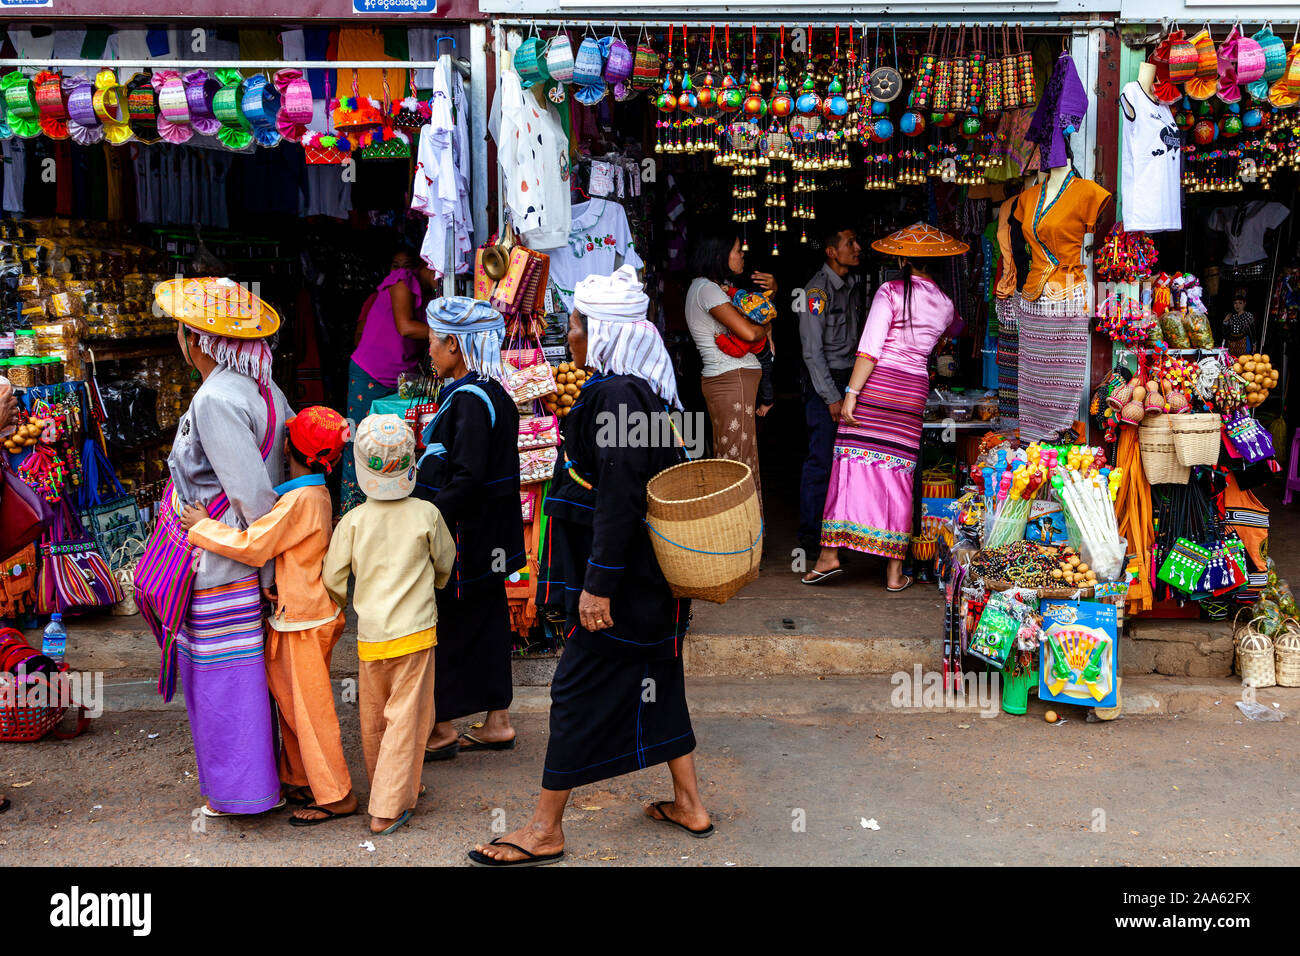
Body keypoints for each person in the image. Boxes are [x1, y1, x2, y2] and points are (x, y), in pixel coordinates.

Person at [469, 265, 711, 867]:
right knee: (661, 683)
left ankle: (545, 828)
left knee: (573, 691)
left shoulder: (615, 394)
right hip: (651, 583)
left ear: (600, 331)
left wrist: (597, 586)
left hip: (623, 584)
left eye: (575, 325)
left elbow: (621, 494)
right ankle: (690, 804)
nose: (570, 337)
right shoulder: (639, 392)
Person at [153, 276, 291, 817]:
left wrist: (262, 566)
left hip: (221, 563)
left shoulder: (215, 400)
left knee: (223, 685)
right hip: (241, 556)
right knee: (243, 681)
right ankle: (254, 783)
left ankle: (240, 793)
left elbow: (251, 495)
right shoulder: (264, 388)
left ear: (194, 339)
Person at [182, 406, 357, 826]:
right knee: (293, 706)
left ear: (283, 447)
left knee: (309, 713)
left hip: (303, 619)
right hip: (298, 614)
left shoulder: (299, 500)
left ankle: (337, 795)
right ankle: (300, 778)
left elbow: (253, 545)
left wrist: (204, 526)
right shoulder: (312, 494)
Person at [807, 224, 967, 590]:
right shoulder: (945, 304)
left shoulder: (889, 291)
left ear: (902, 258)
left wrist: (850, 392)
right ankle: (895, 572)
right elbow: (954, 330)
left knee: (850, 465)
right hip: (912, 392)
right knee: (899, 474)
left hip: (879, 387)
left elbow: (869, 349)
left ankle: (830, 554)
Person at [323, 414, 457, 835]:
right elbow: (445, 562)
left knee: (376, 718)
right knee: (408, 718)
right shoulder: (427, 514)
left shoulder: (353, 521)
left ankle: (394, 786)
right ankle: (387, 804)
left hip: (372, 637)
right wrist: (435, 582)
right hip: (416, 633)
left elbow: (332, 578)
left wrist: (343, 603)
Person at [414, 296, 523, 760]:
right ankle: (497, 721)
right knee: (487, 618)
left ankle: (440, 729)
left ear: (455, 346)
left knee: (447, 624)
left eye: (435, 343)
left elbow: (466, 475)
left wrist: (428, 519)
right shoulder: (489, 390)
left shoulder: (469, 400)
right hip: (489, 536)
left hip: (465, 535)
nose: (431, 352)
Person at [342, 245, 439, 511]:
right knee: (358, 442)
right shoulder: (402, 281)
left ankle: (389, 509)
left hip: (402, 379)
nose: (441, 276)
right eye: (438, 270)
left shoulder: (432, 294)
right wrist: (446, 331)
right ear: (425, 264)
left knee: (397, 443)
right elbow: (406, 327)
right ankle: (351, 512)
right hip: (371, 373)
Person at [685, 234, 777, 499]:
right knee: (736, 460)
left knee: (736, 456)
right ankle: (736, 534)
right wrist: (766, 327)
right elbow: (749, 333)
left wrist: (769, 307)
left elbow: (757, 317)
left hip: (730, 379)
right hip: (731, 378)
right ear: (719, 255)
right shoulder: (707, 289)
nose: (742, 255)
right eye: (737, 250)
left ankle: (741, 532)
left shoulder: (711, 288)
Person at [797, 226, 864, 560]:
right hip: (827, 385)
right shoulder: (816, 292)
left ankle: (840, 533)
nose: (857, 247)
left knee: (848, 463)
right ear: (831, 251)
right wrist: (832, 397)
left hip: (849, 381)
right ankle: (811, 536)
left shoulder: (851, 286)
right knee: (821, 460)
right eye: (849, 243)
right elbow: (812, 352)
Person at [1222, 289, 1255, 357]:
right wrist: (1225, 322)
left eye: (1240, 303)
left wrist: (1254, 344)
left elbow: (1252, 331)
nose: (1237, 305)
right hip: (1232, 342)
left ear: (1244, 303)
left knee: (1244, 359)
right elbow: (1225, 333)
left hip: (1243, 342)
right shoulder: (1231, 316)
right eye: (1235, 303)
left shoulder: (1249, 316)